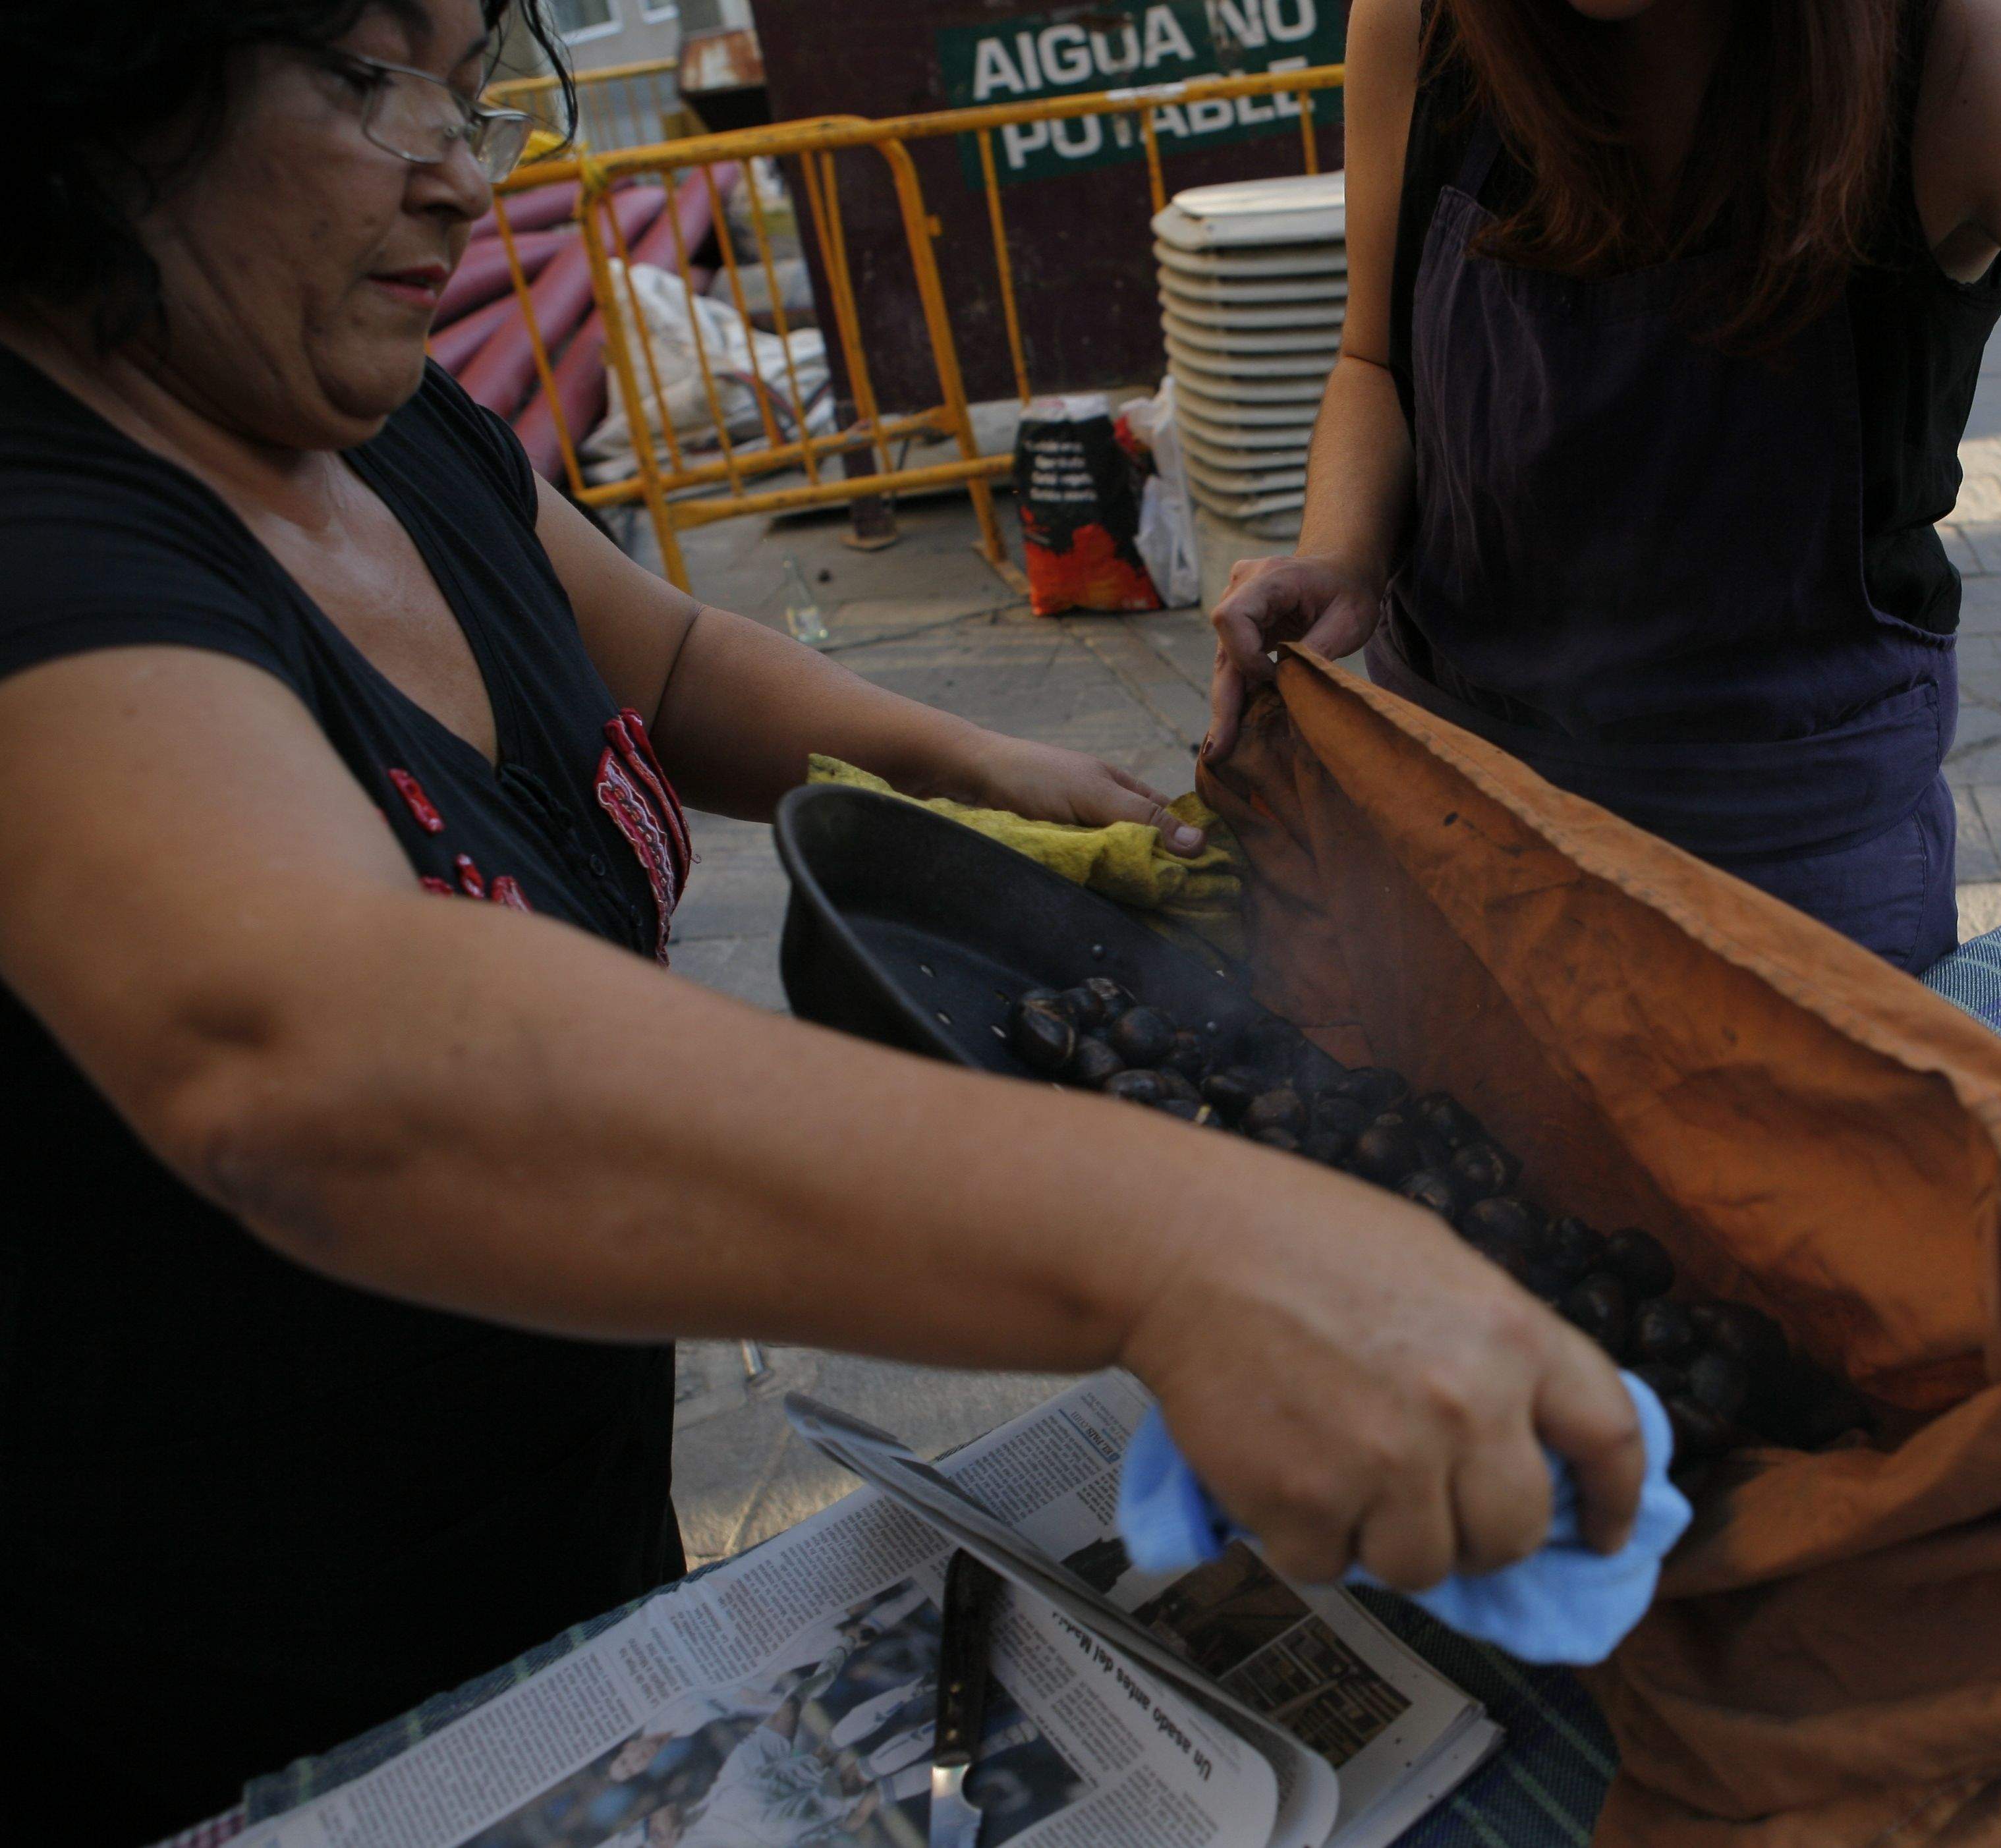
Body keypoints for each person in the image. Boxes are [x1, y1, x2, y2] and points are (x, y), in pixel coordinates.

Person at [0, 3, 1644, 1837]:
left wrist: (987, 766)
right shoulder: (45, 540)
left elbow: (675, 656)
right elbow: (306, 1040)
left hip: (550, 1566)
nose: (460, 172)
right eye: (374, 78)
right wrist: (1185, 1241)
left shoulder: (379, 427)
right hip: (198, 1697)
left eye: (475, 92)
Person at [1205, 0, 2001, 1294]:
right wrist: (1341, 548)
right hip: (1454, 860)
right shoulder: (1420, 23)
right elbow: (1372, 359)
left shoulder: (1981, 59)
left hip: (1795, 922)